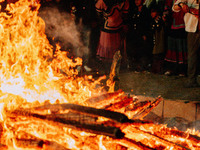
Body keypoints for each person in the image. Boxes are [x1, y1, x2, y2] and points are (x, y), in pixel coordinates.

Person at [95, 0, 129, 75]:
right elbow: (98, 14)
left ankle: (115, 68)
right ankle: (106, 68)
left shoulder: (124, 2)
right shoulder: (102, 1)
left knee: (116, 50)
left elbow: (125, 15)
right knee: (106, 50)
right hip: (107, 29)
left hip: (118, 29)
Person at [173, 0, 200, 87]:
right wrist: (181, 4)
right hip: (193, 27)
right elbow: (175, 7)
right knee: (192, 55)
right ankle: (192, 80)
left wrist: (192, 10)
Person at [126, 0, 152, 72]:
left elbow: (147, 24)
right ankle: (134, 66)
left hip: (142, 34)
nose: (136, 1)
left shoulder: (145, 11)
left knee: (142, 50)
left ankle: (143, 66)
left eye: (138, 0)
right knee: (134, 49)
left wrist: (145, 34)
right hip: (134, 33)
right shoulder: (134, 10)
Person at [163, 0, 188, 76]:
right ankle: (171, 68)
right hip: (171, 25)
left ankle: (182, 70)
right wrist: (165, 15)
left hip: (183, 25)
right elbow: (167, 8)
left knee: (181, 47)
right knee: (172, 47)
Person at [149, 4, 166, 74]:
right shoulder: (152, 21)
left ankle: (159, 69)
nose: (151, 14)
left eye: (153, 12)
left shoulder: (161, 20)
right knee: (155, 55)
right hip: (155, 40)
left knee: (159, 55)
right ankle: (155, 69)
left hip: (160, 40)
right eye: (151, 12)